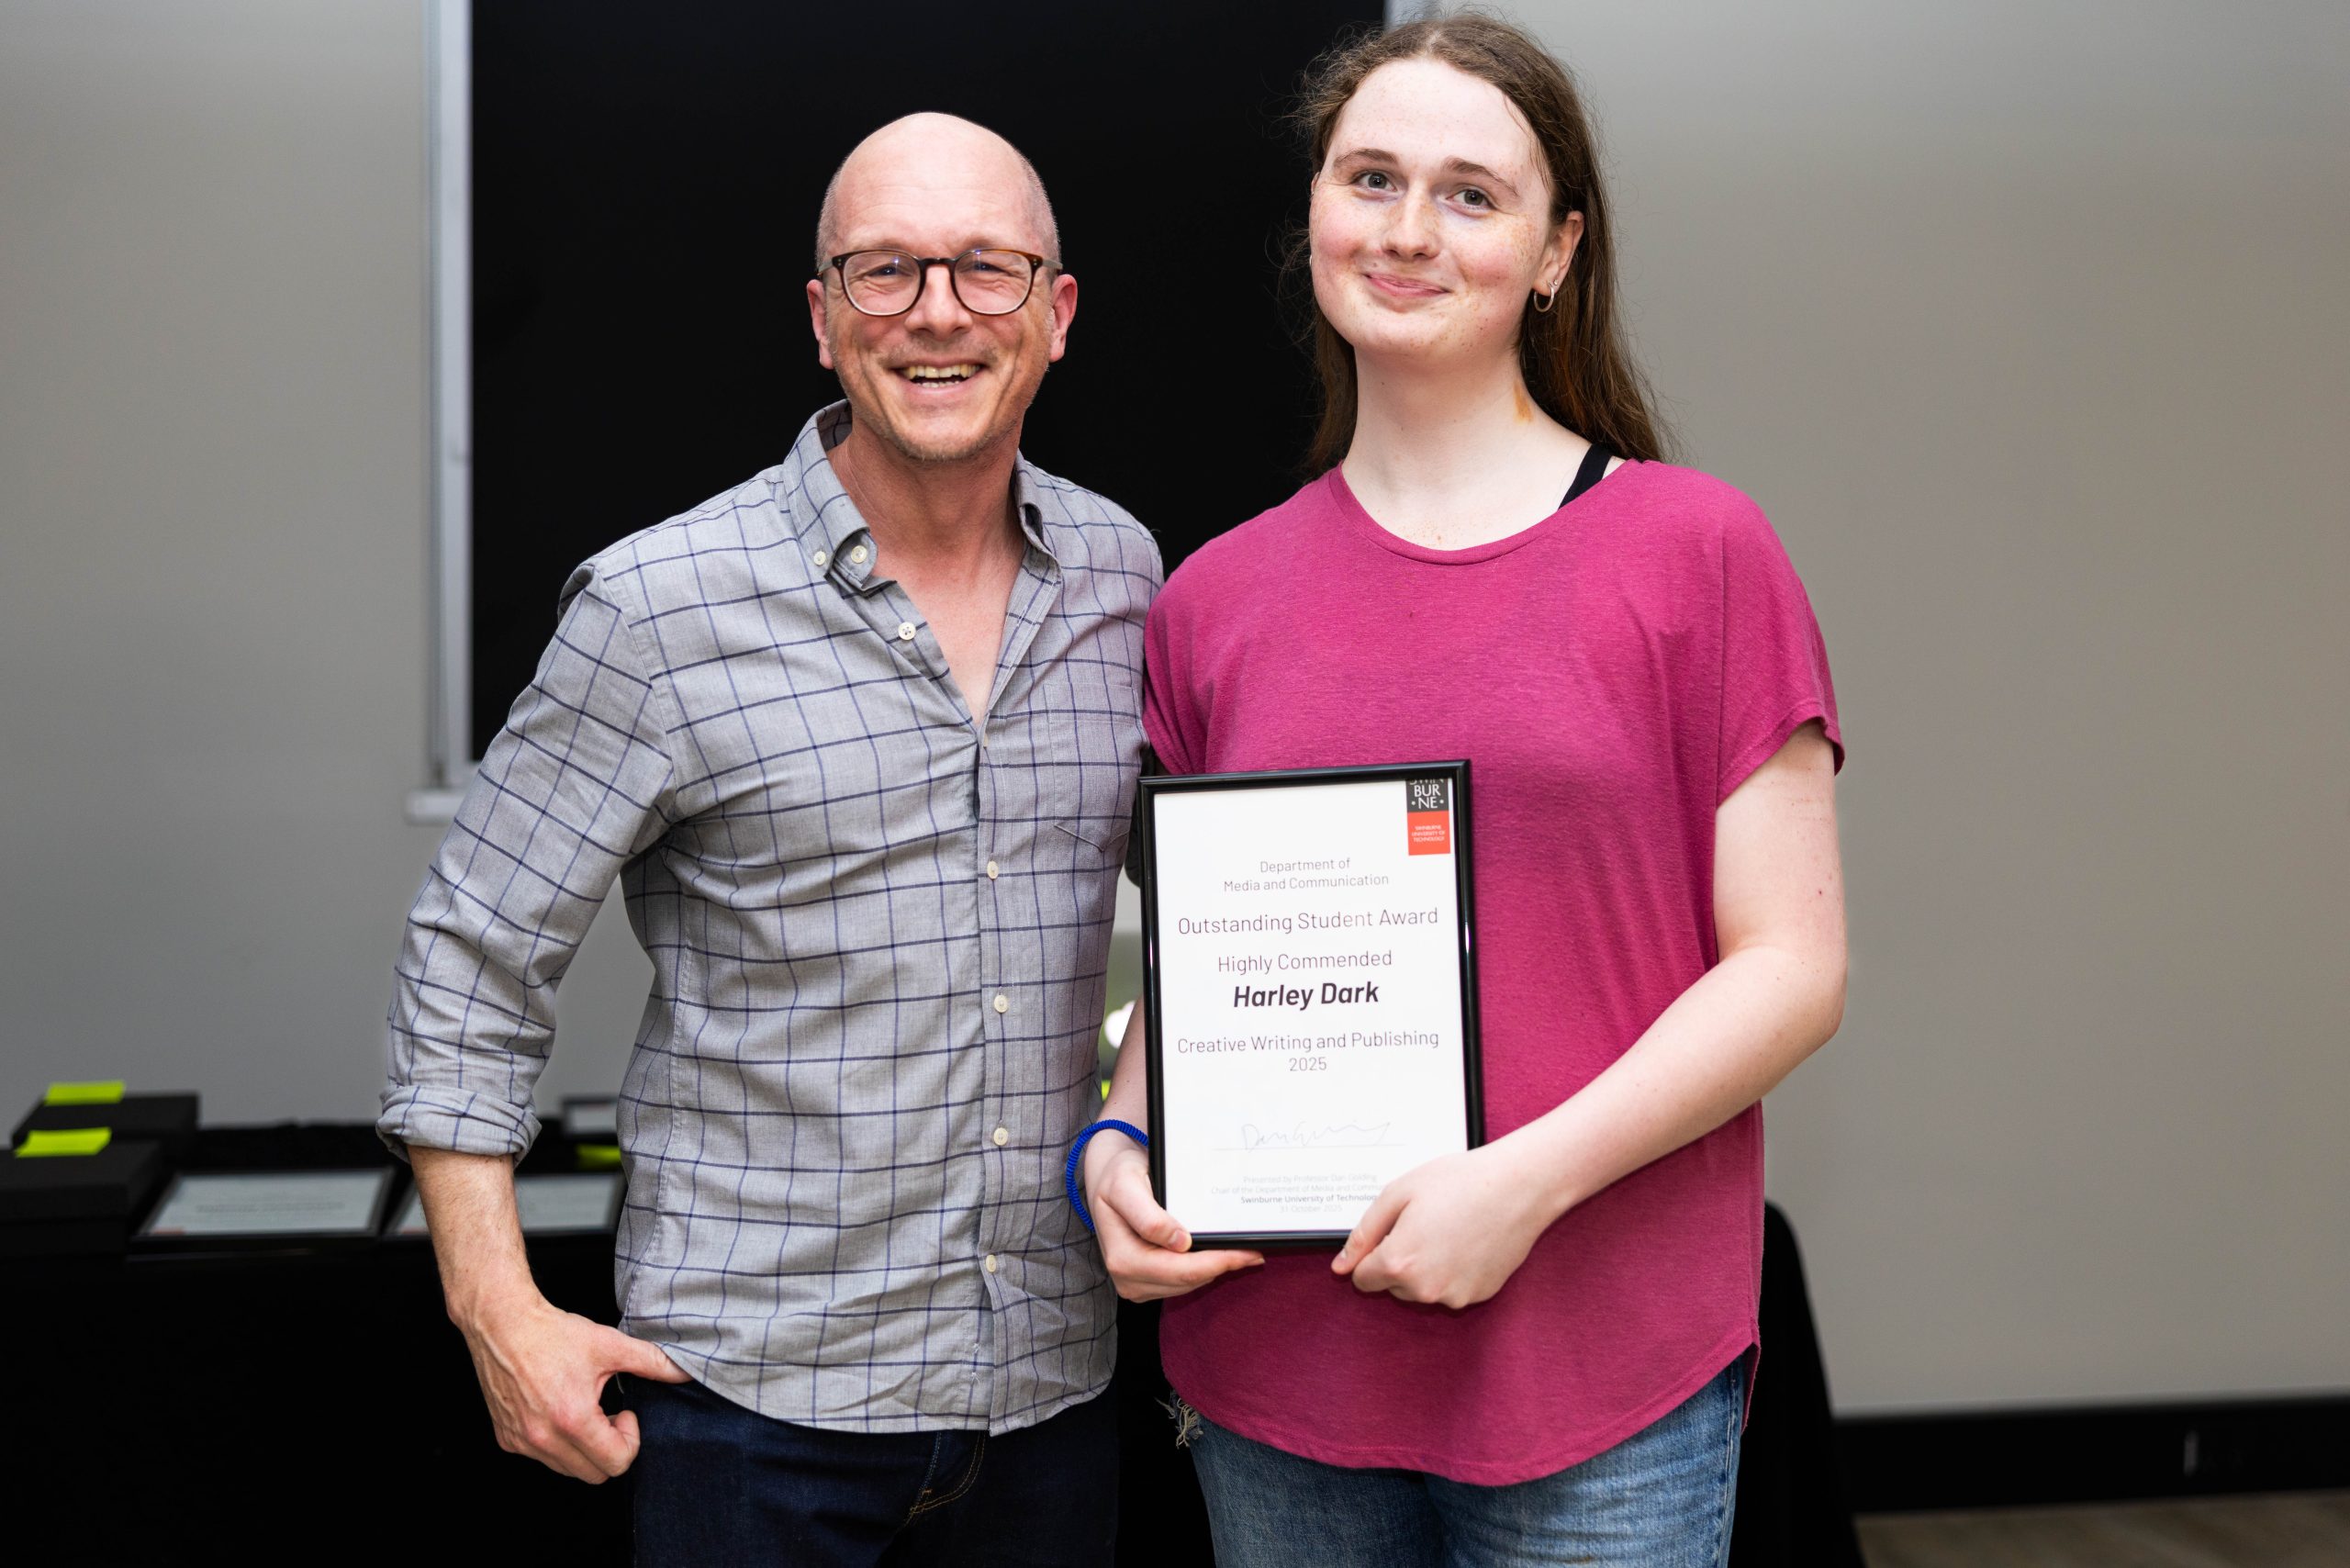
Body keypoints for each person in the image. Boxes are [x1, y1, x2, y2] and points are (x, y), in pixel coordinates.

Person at [1081, 16, 1846, 1567]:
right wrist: (1118, 1141)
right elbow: (1209, 965)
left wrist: (1522, 1186)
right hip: (1277, 1374)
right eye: (1372, 178)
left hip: (1597, 1371)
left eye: (1470, 193)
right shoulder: (1213, 600)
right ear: (1314, 216)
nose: (1409, 230)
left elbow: (1793, 968)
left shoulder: (1697, 553)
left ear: (1559, 250)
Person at [380, 113, 1158, 1566]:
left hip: (1053, 1400)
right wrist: (496, 1313)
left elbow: (1216, 924)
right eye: (884, 272)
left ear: (1055, 315)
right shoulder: (654, 611)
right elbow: (471, 963)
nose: (938, 313)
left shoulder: (1126, 576)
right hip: (749, 1418)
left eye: (989, 270)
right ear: (821, 319)